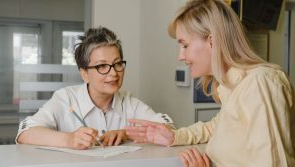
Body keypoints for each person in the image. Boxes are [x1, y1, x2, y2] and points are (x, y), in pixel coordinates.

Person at [124, 0, 295, 166]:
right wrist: (175, 136)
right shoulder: (235, 86)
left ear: (212, 40)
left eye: (185, 45)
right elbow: (215, 127)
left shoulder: (259, 83)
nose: (180, 56)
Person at [16, 26, 173, 150]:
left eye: (118, 64)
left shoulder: (129, 102)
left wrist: (126, 134)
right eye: (102, 66)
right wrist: (69, 139)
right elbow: (25, 133)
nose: (113, 73)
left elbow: (169, 130)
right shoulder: (65, 98)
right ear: (84, 74)